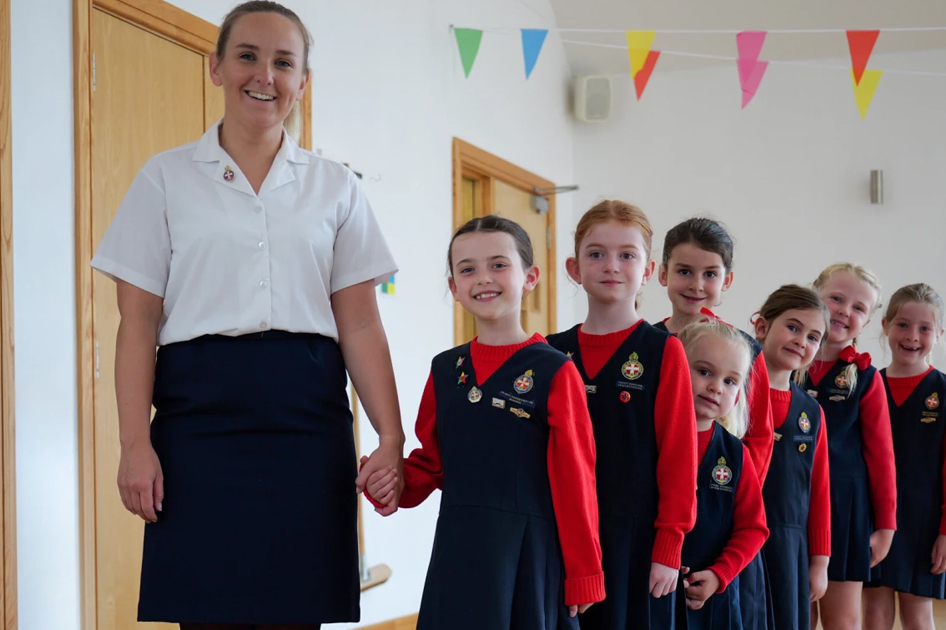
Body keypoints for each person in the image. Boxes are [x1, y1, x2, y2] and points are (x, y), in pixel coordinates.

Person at [90, 3, 404, 627]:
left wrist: (389, 435)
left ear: (302, 82)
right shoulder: (164, 179)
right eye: (247, 56)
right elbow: (138, 325)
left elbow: (361, 324)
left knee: (299, 607)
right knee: (207, 608)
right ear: (216, 68)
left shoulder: (336, 187)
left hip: (308, 427)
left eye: (284, 62)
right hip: (196, 429)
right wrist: (134, 443)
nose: (265, 75)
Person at [364, 216, 605, 629]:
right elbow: (432, 463)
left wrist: (585, 572)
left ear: (530, 278)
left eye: (498, 264)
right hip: (458, 547)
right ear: (454, 288)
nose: (483, 278)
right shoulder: (445, 369)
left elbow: (576, 480)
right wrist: (391, 483)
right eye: (467, 269)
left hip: (528, 554)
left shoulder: (555, 370)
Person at [547, 200, 698, 630]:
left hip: (637, 539)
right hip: (561, 536)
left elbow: (679, 458)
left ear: (648, 270)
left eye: (626, 255)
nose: (611, 265)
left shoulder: (663, 351)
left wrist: (669, 547)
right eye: (596, 253)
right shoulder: (550, 352)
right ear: (574, 268)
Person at [655, 217, 773, 630]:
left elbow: (759, 438)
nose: (696, 284)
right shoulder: (648, 345)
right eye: (685, 271)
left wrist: (722, 491)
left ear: (727, 280)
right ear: (663, 273)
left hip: (718, 531)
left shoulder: (744, 351)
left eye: (710, 274)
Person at [864, 284, 946, 630]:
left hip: (925, 525)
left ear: (938, 335)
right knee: (874, 614)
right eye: (903, 325)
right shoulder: (868, 386)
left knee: (917, 615)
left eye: (924, 328)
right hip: (874, 520)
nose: (912, 336)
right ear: (885, 326)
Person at [806, 264, 898, 630]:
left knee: (842, 619)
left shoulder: (866, 379)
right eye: (836, 299)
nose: (845, 311)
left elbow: (882, 457)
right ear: (814, 296)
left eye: (859, 307)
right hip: (789, 508)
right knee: (794, 615)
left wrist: (886, 526)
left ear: (869, 321)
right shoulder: (782, 364)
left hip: (844, 513)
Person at [675, 321, 768, 630]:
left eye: (730, 381)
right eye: (704, 372)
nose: (717, 387)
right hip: (652, 590)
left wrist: (719, 575)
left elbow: (754, 528)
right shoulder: (650, 441)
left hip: (714, 601)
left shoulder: (736, 454)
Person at [751, 285, 832, 630]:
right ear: (762, 327)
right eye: (793, 327)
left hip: (789, 547)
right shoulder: (734, 394)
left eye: (813, 337)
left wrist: (819, 562)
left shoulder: (811, 412)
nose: (801, 341)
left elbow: (819, 490)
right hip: (738, 542)